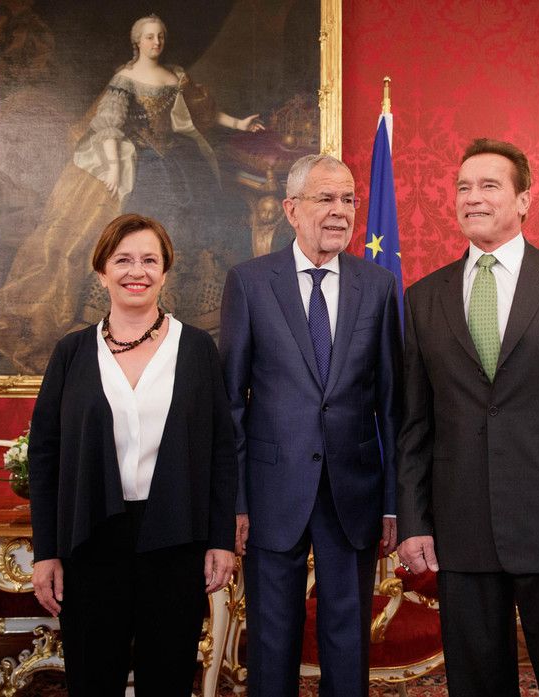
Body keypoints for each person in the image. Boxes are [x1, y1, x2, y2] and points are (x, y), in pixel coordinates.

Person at [397, 138, 539, 696]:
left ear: (524, 200)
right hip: (461, 527)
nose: (472, 197)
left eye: (489, 185)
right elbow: (414, 425)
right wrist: (414, 520)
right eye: (463, 187)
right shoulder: (423, 297)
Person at [28, 213, 238, 695]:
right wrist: (46, 552)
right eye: (122, 260)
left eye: (149, 260)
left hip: (176, 540)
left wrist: (221, 540)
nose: (136, 271)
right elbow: (44, 456)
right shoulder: (71, 352)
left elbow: (222, 453)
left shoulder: (197, 349)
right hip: (90, 542)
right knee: (92, 680)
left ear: (164, 272)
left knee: (167, 680)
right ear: (101, 272)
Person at [0, 13, 264, 375]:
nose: (156, 42)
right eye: (149, 37)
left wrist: (239, 123)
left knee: (190, 224)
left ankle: (184, 313)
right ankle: (127, 318)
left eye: (160, 36)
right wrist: (117, 171)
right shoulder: (125, 78)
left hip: (178, 160)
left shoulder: (175, 75)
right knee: (138, 226)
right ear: (137, 42)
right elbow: (109, 126)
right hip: (140, 161)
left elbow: (202, 114)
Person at [219, 154, 402, 697]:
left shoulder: (378, 285)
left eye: (348, 199)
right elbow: (231, 403)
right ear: (291, 209)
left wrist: (393, 502)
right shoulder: (250, 283)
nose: (340, 211)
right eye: (326, 198)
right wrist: (235, 500)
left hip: (355, 490)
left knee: (348, 635)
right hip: (272, 489)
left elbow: (393, 405)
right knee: (272, 636)